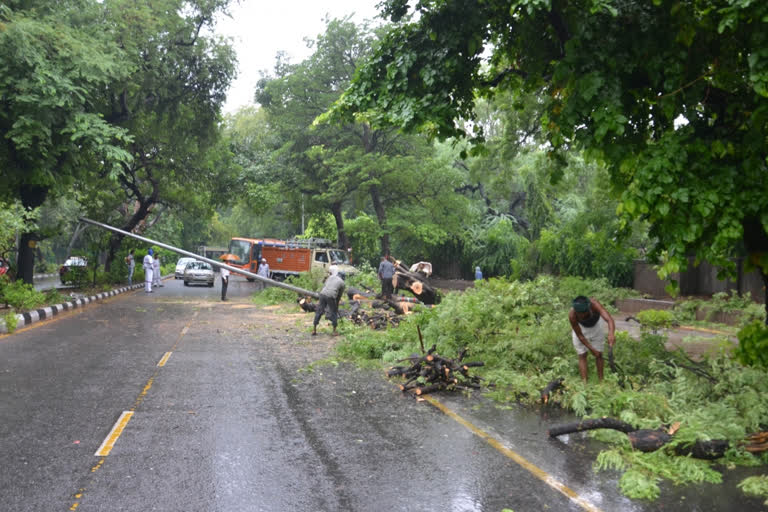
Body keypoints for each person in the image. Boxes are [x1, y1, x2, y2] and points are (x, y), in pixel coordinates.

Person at [569, 296, 616, 382]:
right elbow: (580, 336)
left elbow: (609, 319)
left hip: (597, 326)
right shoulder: (572, 315)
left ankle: (601, 381)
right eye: (579, 313)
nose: (581, 315)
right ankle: (584, 383)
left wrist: (611, 333)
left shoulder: (594, 304)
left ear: (588, 307)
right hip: (581, 329)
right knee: (582, 354)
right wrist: (592, 349)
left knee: (599, 355)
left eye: (584, 312)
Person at [312, 270, 346, 336]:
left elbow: (325, 285)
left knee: (319, 311)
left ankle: (314, 330)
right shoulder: (342, 283)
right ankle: (334, 331)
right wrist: (336, 306)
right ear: (343, 277)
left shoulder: (330, 277)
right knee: (333, 312)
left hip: (322, 294)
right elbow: (339, 296)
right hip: (331, 295)